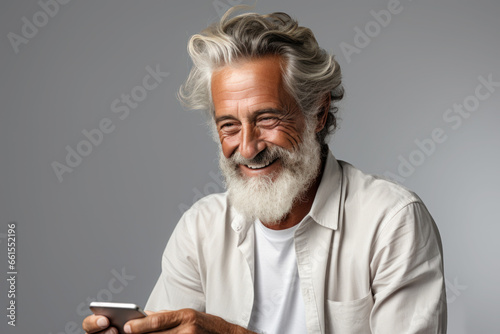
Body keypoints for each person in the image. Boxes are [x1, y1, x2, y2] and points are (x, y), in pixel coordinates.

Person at [83, 8, 447, 334]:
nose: (247, 147)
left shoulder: (392, 222)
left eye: (267, 118)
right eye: (229, 126)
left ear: (317, 114)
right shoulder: (200, 229)